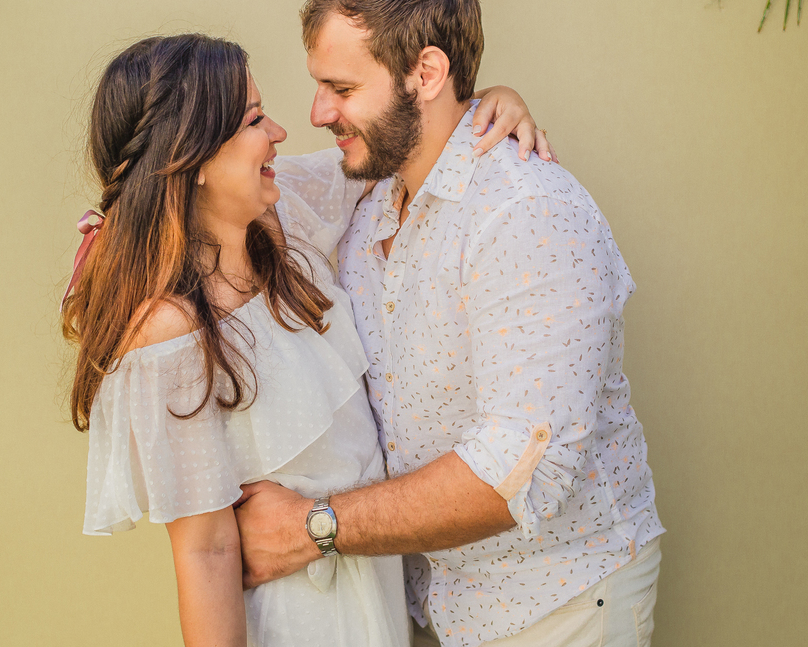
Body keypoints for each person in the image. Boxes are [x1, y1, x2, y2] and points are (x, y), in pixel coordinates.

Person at [61, 33, 547, 647]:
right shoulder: (170, 332)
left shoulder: (286, 216)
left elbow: (398, 149)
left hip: (382, 595)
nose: (281, 132)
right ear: (194, 158)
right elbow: (206, 552)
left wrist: (491, 103)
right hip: (303, 619)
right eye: (254, 119)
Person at [234, 0, 663, 647]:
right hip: (441, 607)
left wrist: (315, 527)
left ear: (427, 74)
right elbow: (235, 188)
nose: (317, 112)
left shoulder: (526, 213)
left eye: (340, 87)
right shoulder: (365, 197)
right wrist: (132, 222)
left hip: (561, 606)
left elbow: (519, 472)